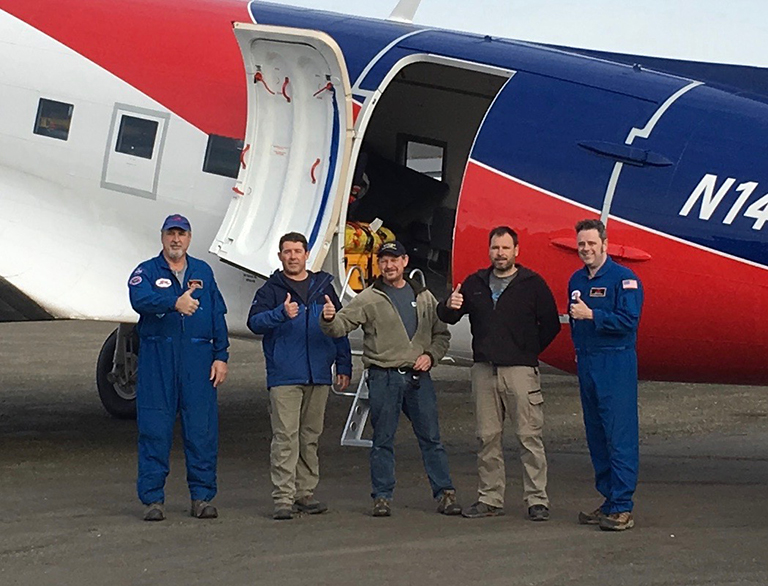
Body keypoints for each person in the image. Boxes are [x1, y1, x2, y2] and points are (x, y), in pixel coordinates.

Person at [319, 241, 461, 517]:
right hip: (384, 377)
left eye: (394, 260)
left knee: (431, 438)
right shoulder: (369, 297)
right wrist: (328, 318)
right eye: (384, 260)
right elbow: (339, 326)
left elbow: (441, 335)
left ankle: (445, 493)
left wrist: (431, 356)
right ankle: (382, 497)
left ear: (405, 261)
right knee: (383, 440)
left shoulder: (423, 296)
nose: (389, 265)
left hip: (418, 378)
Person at [437, 226, 560, 521]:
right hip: (483, 371)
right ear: (489, 250)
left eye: (505, 248)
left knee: (529, 437)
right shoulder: (475, 282)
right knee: (487, 437)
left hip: (520, 371)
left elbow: (551, 324)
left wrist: (526, 351)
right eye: (495, 248)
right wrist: (449, 305)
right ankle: (490, 498)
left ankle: (537, 500)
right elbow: (449, 315)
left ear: (516, 251)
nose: (500, 254)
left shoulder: (532, 284)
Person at [128, 214, 229, 522]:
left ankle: (201, 498)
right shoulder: (145, 271)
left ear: (189, 238)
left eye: (181, 234)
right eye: (171, 234)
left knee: (201, 432)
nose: (176, 239)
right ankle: (153, 500)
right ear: (162, 237)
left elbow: (218, 316)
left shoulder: (203, 272)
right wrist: (174, 303)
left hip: (198, 362)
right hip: (158, 361)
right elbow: (139, 300)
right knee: (154, 430)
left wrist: (221, 356)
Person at [248, 232, 352, 521]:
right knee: (285, 437)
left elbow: (340, 328)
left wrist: (343, 366)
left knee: (309, 437)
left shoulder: (324, 287)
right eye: (287, 251)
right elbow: (254, 322)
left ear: (307, 254)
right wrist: (280, 314)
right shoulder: (271, 290)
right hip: (284, 375)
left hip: (318, 374)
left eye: (297, 251)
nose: (293, 256)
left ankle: (304, 493)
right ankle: (283, 497)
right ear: (280, 256)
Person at [568, 219, 644, 531]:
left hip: (616, 363)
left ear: (604, 244)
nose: (586, 249)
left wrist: (593, 315)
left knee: (619, 434)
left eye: (591, 243)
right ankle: (609, 499)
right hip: (587, 363)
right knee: (596, 435)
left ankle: (623, 506)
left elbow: (629, 320)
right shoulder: (576, 279)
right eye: (581, 244)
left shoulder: (624, 279)